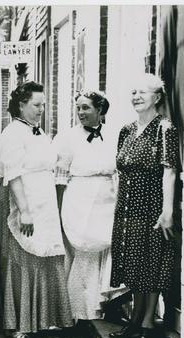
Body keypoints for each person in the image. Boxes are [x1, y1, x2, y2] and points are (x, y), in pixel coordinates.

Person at [109, 74, 180, 338]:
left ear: (157, 97)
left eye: (143, 92)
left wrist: (167, 211)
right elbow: (120, 168)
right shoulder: (126, 130)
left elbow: (170, 171)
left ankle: (149, 324)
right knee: (134, 262)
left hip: (151, 204)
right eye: (133, 92)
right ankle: (136, 320)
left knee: (150, 263)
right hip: (126, 206)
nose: (136, 96)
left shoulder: (164, 128)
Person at [0, 81, 73, 338]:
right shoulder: (12, 134)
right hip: (27, 199)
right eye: (37, 105)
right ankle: (21, 322)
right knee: (25, 258)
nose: (42, 109)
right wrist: (24, 211)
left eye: (43, 105)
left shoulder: (39, 133)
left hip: (46, 201)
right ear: (21, 105)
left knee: (47, 256)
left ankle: (45, 320)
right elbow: (14, 175)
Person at [54, 90, 128, 323]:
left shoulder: (116, 134)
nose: (80, 112)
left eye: (86, 107)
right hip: (79, 199)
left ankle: (107, 305)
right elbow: (59, 178)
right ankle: (77, 313)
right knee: (83, 250)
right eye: (78, 108)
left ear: (100, 110)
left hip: (107, 198)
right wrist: (57, 211)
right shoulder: (67, 138)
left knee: (108, 249)